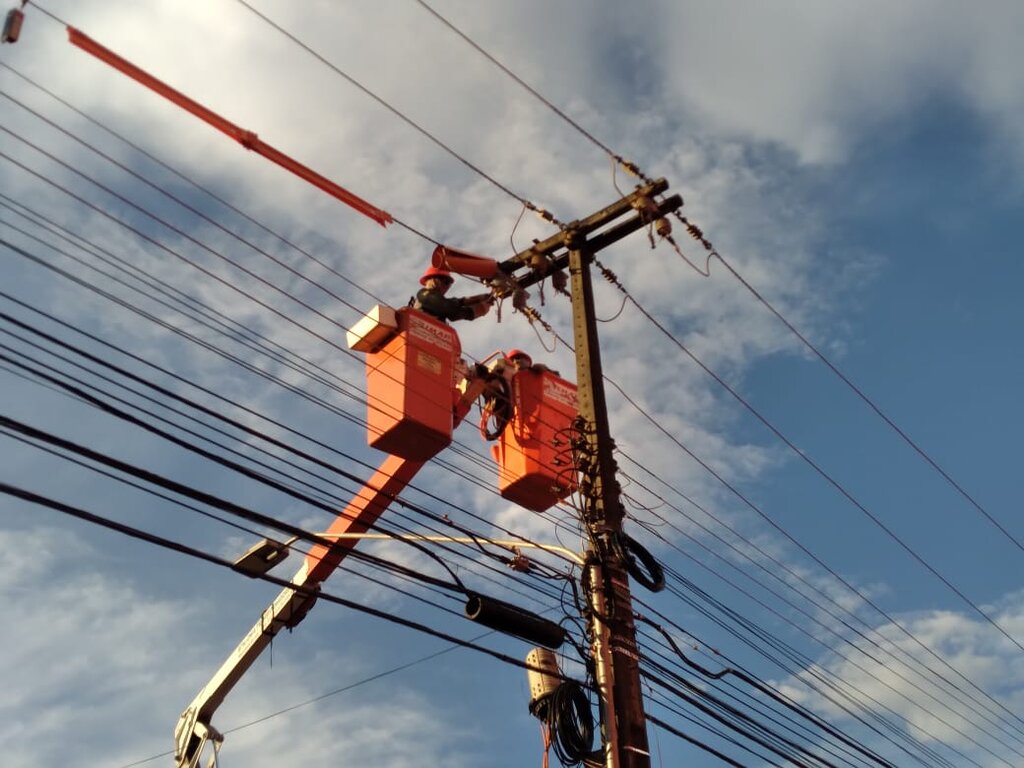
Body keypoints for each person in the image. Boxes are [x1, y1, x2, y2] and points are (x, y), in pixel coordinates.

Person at [412, 266, 492, 323]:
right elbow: (451, 310)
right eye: (446, 282)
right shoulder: (423, 294)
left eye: (449, 284)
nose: (447, 287)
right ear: (434, 280)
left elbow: (455, 302)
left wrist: (479, 298)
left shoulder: (434, 301)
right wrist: (477, 310)